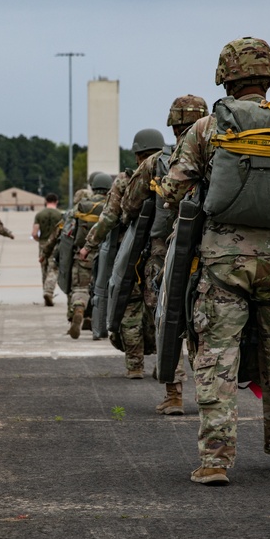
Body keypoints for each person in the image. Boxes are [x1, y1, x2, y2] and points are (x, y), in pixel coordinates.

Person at [158, 38, 270, 485]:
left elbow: (171, 192)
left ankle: (215, 460)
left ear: (225, 77)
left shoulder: (205, 130)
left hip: (223, 264)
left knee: (217, 356)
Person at [122, 95, 209, 413]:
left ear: (173, 126)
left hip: (166, 253)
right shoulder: (222, 153)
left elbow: (129, 204)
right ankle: (208, 394)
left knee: (167, 319)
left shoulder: (159, 161)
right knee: (205, 323)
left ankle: (174, 395)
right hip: (210, 251)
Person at [81, 131, 163, 377]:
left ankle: (135, 366)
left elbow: (109, 218)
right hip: (164, 255)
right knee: (162, 310)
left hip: (130, 256)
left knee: (130, 308)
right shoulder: (176, 172)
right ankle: (165, 365)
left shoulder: (125, 181)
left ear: (137, 154)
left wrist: (89, 245)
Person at [66, 172, 112, 338]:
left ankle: (79, 307)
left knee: (81, 288)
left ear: (93, 187)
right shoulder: (112, 205)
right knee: (104, 291)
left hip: (84, 255)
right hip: (108, 256)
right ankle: (99, 324)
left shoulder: (81, 206)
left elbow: (68, 232)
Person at [32, 193, 63, 306]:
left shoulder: (39, 214)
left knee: (44, 269)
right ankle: (48, 292)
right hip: (56, 245)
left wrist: (39, 240)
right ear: (56, 201)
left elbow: (34, 233)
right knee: (53, 269)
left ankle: (45, 292)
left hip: (43, 243)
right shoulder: (60, 215)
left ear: (45, 201)